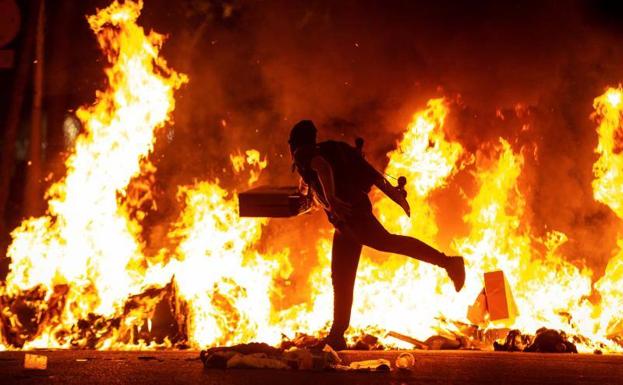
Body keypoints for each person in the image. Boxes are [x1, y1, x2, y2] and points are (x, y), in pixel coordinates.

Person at [288, 120, 466, 350]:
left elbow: (322, 168)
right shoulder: (328, 152)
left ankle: (448, 262)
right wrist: (396, 196)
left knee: (387, 242)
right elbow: (372, 175)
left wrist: (331, 199)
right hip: (346, 223)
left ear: (295, 143)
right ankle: (337, 334)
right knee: (341, 276)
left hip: (353, 218)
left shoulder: (306, 154)